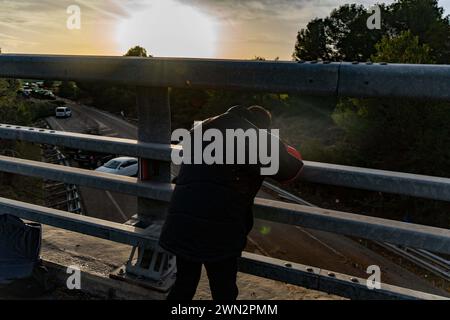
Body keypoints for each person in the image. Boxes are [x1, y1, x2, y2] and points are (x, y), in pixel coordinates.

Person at [159, 105, 303, 300]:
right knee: (223, 290)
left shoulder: (202, 129)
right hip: (220, 229)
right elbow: (291, 169)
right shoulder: (255, 139)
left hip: (181, 223)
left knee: (184, 284)